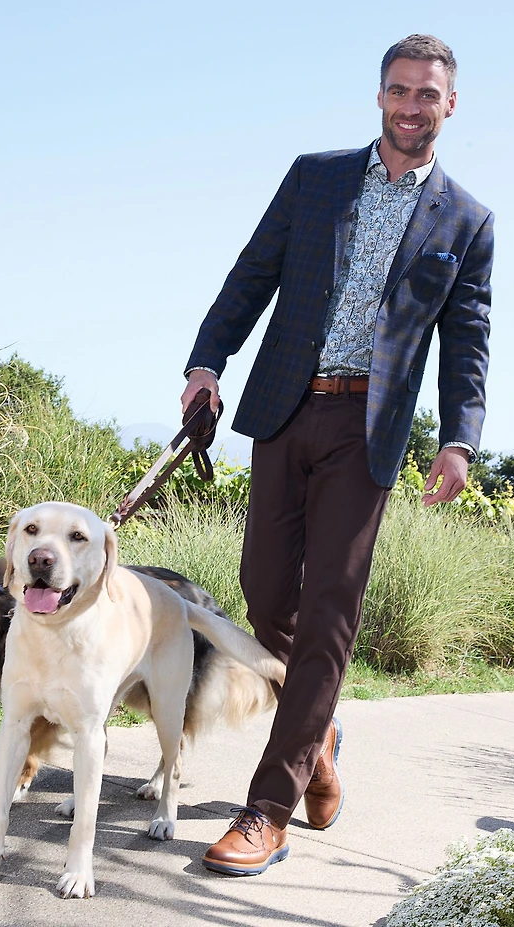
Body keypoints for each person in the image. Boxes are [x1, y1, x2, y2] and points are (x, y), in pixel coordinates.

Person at [180, 34, 493, 876]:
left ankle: (267, 809)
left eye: (427, 94)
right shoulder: (314, 177)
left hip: (367, 430)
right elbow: (252, 274)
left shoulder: (467, 220)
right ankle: (315, 735)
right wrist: (207, 363)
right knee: (264, 591)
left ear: (450, 104)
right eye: (399, 90)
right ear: (379, 95)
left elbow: (467, 339)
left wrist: (458, 437)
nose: (411, 106)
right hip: (285, 408)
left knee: (328, 614)